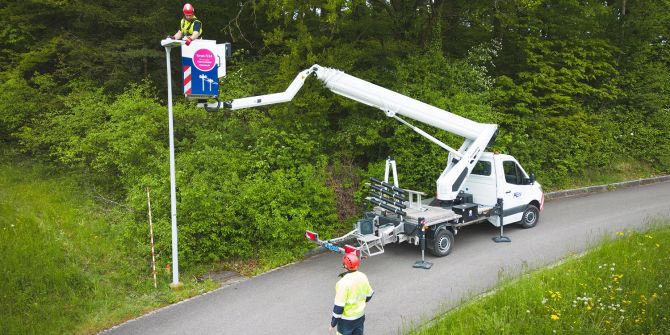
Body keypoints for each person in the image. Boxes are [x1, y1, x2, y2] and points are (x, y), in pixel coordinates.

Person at [329, 253, 374, 335]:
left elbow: (339, 307)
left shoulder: (343, 283)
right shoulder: (363, 276)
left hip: (346, 321)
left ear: (345, 266)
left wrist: (333, 324)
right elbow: (369, 295)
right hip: (360, 317)